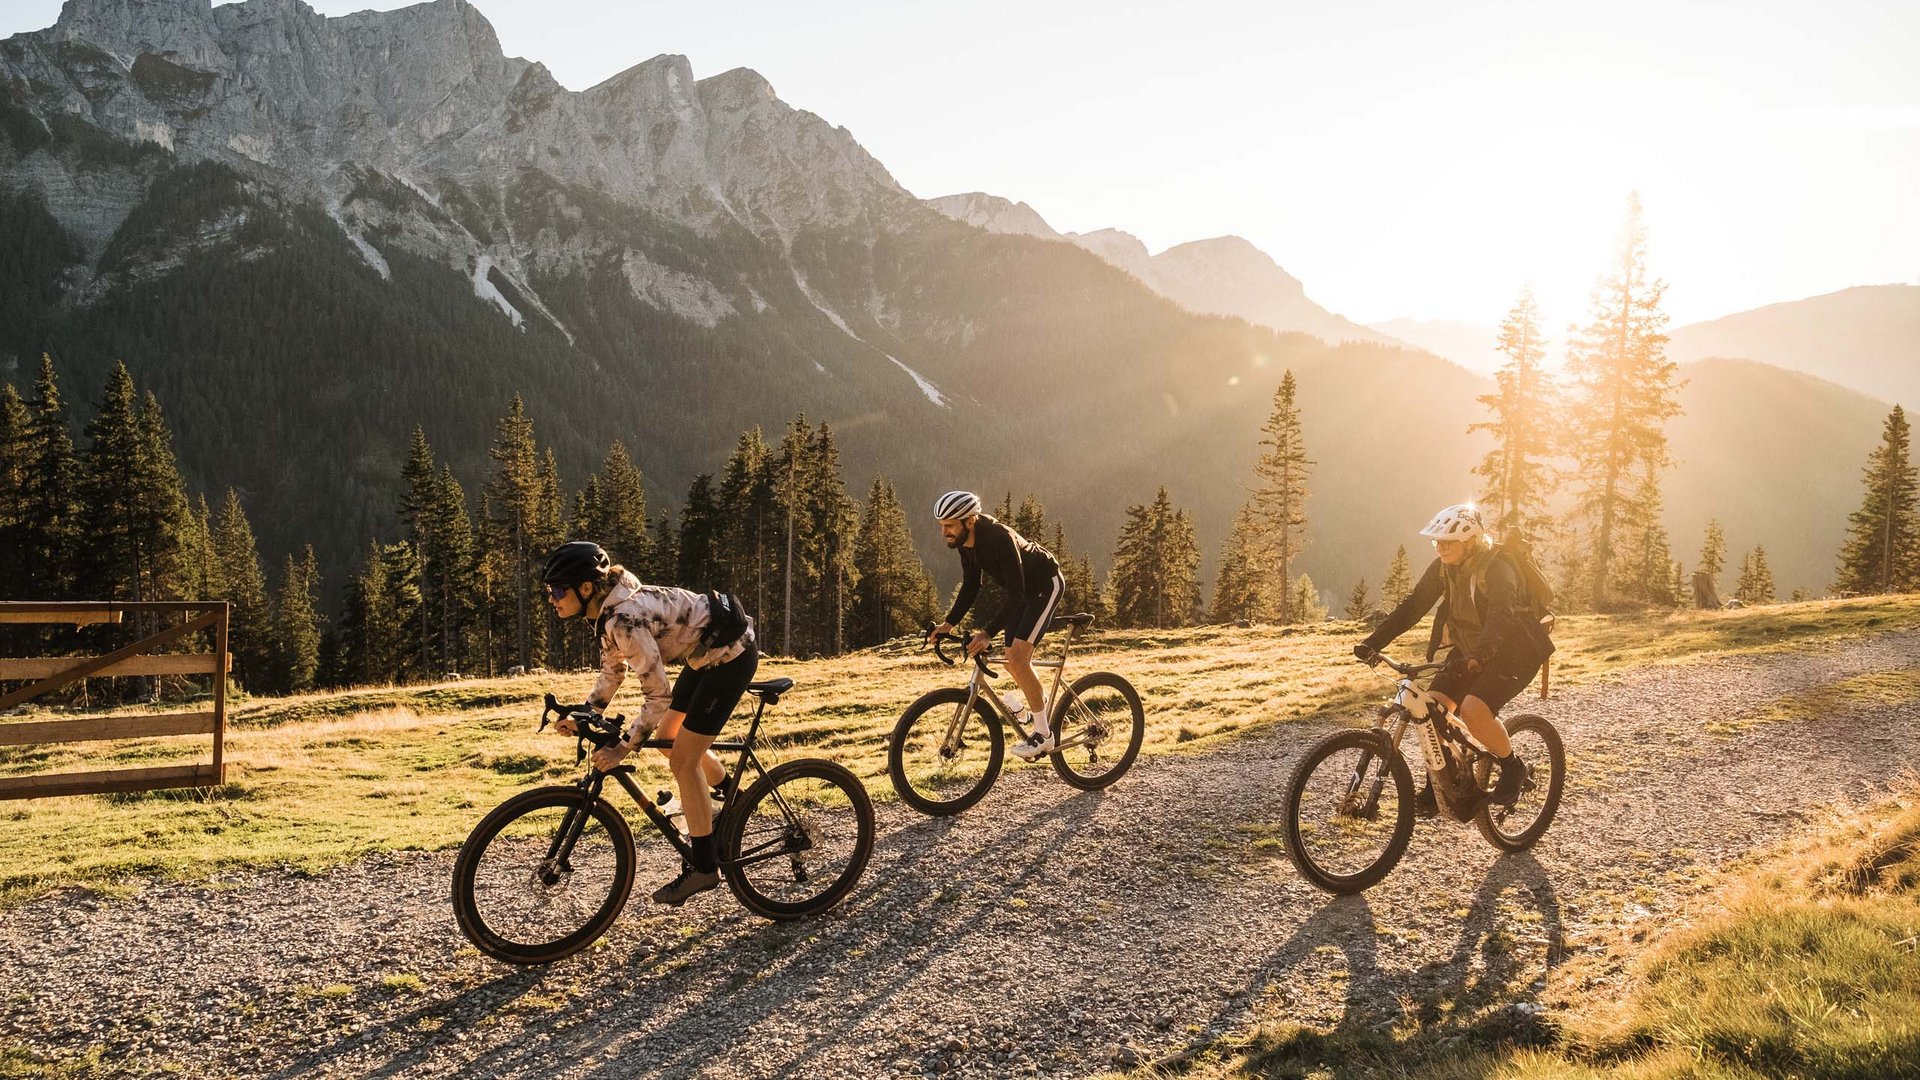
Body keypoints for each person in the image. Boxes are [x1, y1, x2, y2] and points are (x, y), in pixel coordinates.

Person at [542, 541, 757, 905]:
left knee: (682, 760)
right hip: (703, 652)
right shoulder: (607, 613)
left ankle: (705, 868)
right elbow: (613, 669)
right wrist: (585, 714)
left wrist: (623, 747)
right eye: (549, 592)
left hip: (730, 655)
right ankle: (729, 800)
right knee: (669, 735)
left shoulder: (623, 619)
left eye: (558, 590)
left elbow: (659, 696)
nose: (552, 598)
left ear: (586, 588)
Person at [1354, 504, 1544, 811]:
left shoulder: (1497, 568)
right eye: (1436, 541)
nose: (1439, 547)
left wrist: (1480, 655)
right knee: (1432, 709)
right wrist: (1373, 642)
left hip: (1514, 650)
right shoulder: (1443, 567)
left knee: (1473, 710)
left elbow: (1501, 617)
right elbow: (1413, 606)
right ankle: (1445, 784)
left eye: (1446, 542)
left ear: (1469, 542)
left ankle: (1512, 767)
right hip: (1472, 649)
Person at [925, 491, 1066, 761]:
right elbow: (971, 585)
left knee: (1019, 657)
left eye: (950, 525)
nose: (945, 532)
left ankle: (1044, 736)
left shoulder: (999, 539)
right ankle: (1039, 711)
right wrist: (948, 624)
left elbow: (1017, 594)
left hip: (1045, 585)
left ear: (970, 520)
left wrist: (988, 632)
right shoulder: (966, 544)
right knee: (1012, 659)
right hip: (1021, 592)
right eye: (942, 526)